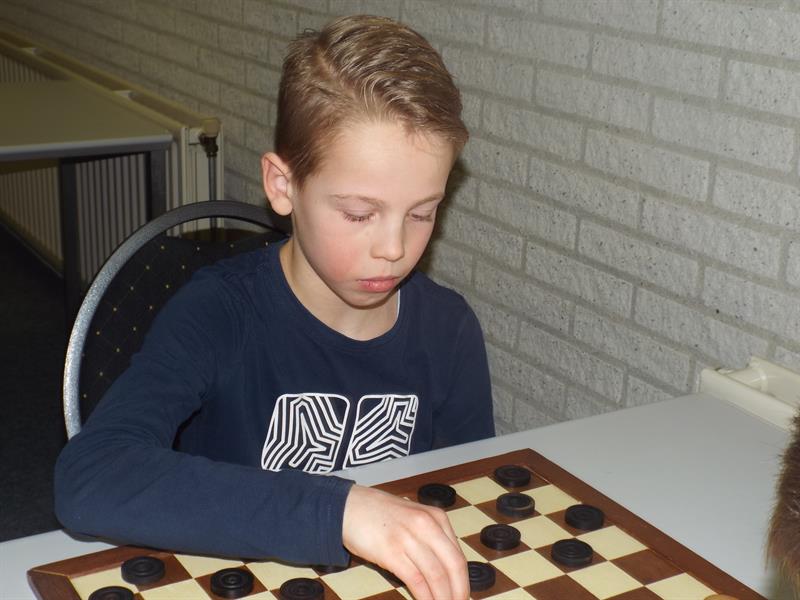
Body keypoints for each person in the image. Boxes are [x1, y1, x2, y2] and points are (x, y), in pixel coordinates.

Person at [54, 14, 494, 600]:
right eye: (359, 213)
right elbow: (90, 478)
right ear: (283, 186)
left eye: (422, 213)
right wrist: (338, 511)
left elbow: (468, 493)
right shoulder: (218, 311)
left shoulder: (449, 328)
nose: (394, 248)